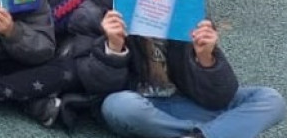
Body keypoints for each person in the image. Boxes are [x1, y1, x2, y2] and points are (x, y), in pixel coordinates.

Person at [102, 19, 286, 138]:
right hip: (144, 106)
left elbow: (219, 97)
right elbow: (97, 86)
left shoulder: (188, 12)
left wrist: (207, 58)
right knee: (118, 105)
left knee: (270, 99)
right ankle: (221, 130)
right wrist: (114, 49)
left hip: (190, 102)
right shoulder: (111, 11)